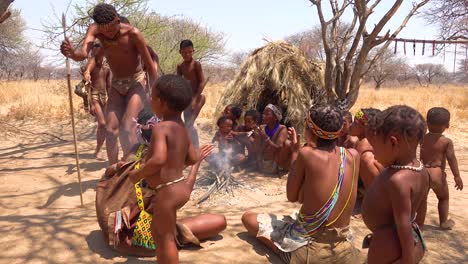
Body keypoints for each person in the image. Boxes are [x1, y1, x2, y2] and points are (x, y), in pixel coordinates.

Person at [242, 105, 360, 263]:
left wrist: (296, 152)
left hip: (311, 248)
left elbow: (292, 196)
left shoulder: (307, 154)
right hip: (342, 243)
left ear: (310, 130)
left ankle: (282, 251)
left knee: (248, 218)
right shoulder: (353, 155)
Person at [128, 75, 226, 263]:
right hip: (179, 188)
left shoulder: (160, 128)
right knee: (159, 233)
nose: (149, 100)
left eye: (152, 97)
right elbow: (191, 158)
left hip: (167, 192)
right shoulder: (182, 128)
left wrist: (137, 174)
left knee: (165, 239)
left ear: (162, 103)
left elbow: (158, 160)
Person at [60, 3, 158, 164]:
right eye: (104, 32)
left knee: (128, 127)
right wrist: (72, 53)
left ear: (117, 21)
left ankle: (131, 168)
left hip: (136, 82)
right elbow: (83, 54)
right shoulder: (95, 30)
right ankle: (113, 170)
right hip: (117, 84)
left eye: (111, 30)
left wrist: (155, 92)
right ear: (98, 27)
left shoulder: (133, 34)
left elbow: (150, 65)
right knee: (110, 130)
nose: (108, 35)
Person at [362, 105, 429, 264]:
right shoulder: (420, 169)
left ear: (393, 143)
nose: (373, 151)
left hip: (388, 244)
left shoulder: (398, 180)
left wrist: (407, 260)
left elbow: (403, 223)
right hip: (404, 239)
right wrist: (417, 239)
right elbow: (421, 209)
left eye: (375, 146)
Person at [420, 107, 463, 230]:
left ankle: (419, 223)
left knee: (422, 200)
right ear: (448, 125)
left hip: (422, 172)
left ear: (427, 123)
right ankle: (443, 222)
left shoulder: (422, 138)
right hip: (437, 173)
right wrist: (457, 176)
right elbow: (451, 159)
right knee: (443, 198)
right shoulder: (446, 142)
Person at [177, 39, 206, 148]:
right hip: (187, 100)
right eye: (184, 52)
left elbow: (202, 82)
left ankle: (194, 149)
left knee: (189, 124)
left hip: (198, 98)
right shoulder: (180, 66)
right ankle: (192, 148)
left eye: (189, 52)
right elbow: (178, 83)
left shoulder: (196, 64)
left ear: (193, 51)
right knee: (189, 125)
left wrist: (195, 98)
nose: (187, 54)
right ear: (180, 52)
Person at [85, 43, 112, 160]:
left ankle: (99, 149)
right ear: (92, 53)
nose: (97, 54)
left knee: (106, 126)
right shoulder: (90, 66)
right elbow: (87, 87)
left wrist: (111, 101)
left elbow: (109, 85)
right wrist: (90, 103)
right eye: (94, 52)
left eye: (99, 51)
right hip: (94, 96)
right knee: (102, 123)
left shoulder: (107, 67)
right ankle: (98, 150)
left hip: (105, 97)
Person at [349, 108, 383, 189]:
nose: (351, 125)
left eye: (355, 123)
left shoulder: (366, 154)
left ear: (365, 128)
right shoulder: (359, 141)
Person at [256, 104, 288, 175]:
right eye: (263, 113)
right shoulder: (262, 127)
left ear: (275, 117)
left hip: (275, 164)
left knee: (287, 143)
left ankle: (280, 169)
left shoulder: (282, 129)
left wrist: (265, 137)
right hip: (263, 163)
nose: (263, 116)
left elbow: (278, 149)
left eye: (267, 114)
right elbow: (258, 148)